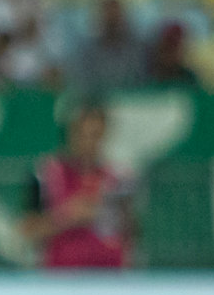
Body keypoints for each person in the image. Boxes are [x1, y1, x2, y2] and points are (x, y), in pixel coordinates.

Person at [22, 101, 133, 270]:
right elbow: (26, 231)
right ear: (70, 133)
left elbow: (132, 234)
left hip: (110, 279)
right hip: (62, 279)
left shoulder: (120, 178)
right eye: (82, 134)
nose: (88, 142)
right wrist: (67, 217)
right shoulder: (45, 175)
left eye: (95, 134)